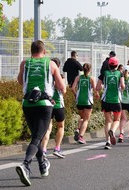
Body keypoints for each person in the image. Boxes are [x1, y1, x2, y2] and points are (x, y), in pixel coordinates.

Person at [16, 40, 65, 186]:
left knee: (35, 137)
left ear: (31, 52)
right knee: (37, 137)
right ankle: (26, 165)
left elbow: (20, 81)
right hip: (44, 104)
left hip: (27, 104)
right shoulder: (50, 63)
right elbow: (61, 87)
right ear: (44, 52)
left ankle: (43, 166)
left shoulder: (24, 63)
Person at [96, 57, 125, 149]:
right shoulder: (120, 73)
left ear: (108, 65)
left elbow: (97, 87)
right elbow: (123, 86)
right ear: (117, 65)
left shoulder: (104, 74)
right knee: (116, 120)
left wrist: (103, 87)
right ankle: (112, 130)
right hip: (116, 100)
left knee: (108, 121)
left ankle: (107, 142)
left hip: (106, 100)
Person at [41, 58, 66, 159]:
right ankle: (57, 148)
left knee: (48, 128)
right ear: (58, 66)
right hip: (58, 104)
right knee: (60, 126)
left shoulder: (46, 77)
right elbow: (63, 90)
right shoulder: (61, 76)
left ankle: (43, 149)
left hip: (48, 104)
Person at [71, 63, 97, 144]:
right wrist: (97, 94)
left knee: (82, 117)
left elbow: (72, 88)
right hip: (88, 101)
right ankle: (81, 137)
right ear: (90, 69)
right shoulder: (91, 78)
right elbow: (95, 90)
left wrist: (76, 95)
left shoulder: (78, 78)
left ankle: (77, 129)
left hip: (79, 101)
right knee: (86, 120)